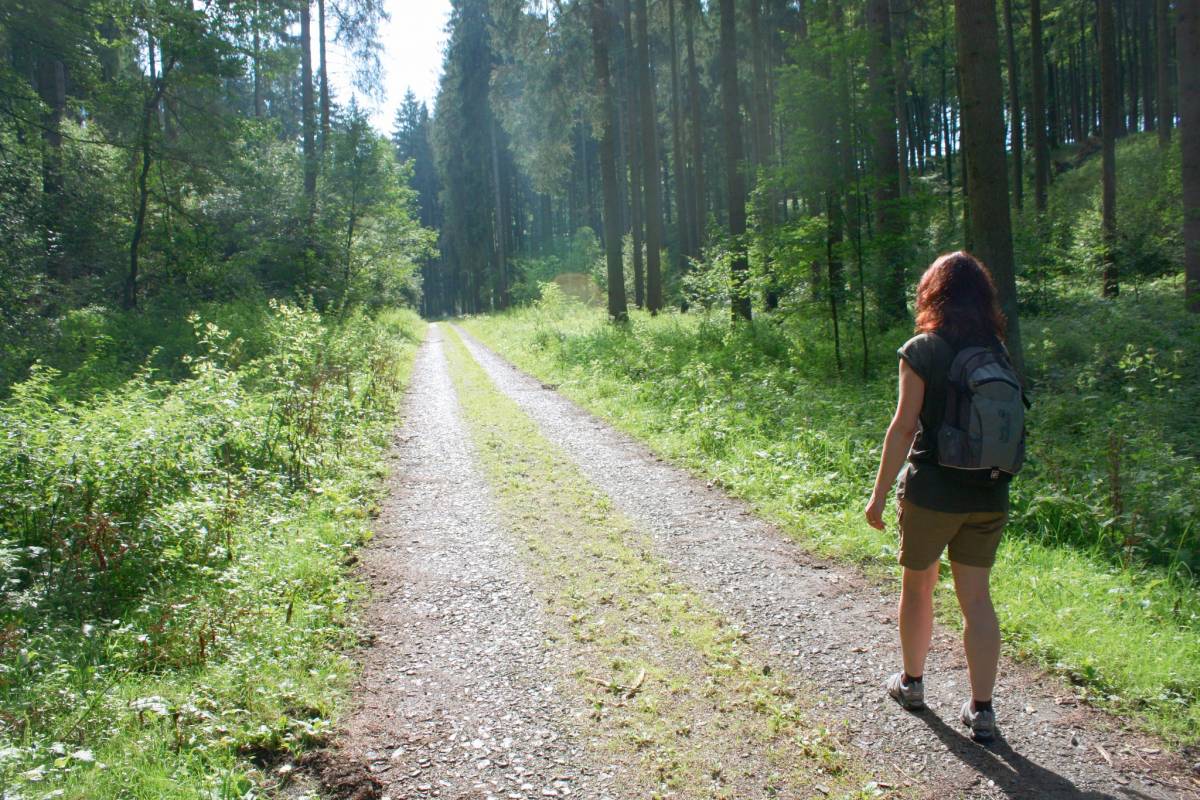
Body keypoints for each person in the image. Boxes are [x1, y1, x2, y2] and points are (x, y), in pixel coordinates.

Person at [864, 251, 1018, 742]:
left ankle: (912, 684)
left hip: (933, 493)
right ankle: (983, 710)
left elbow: (904, 426)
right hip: (990, 493)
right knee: (977, 599)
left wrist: (879, 495)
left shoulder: (923, 349)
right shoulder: (997, 351)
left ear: (932, 293)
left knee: (918, 588)